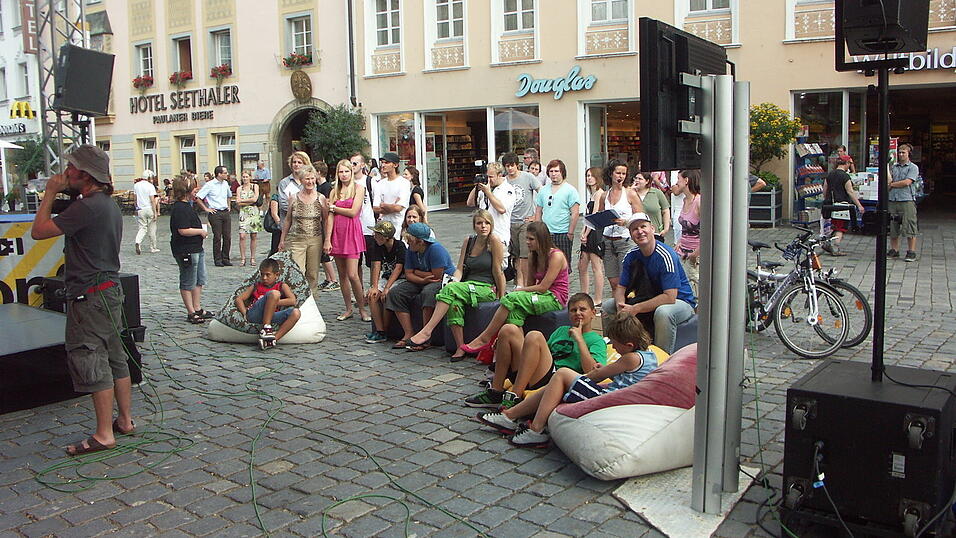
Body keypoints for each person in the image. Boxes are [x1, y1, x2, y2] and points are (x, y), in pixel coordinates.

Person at [30, 144, 134, 456]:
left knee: (91, 357)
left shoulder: (86, 208)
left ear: (85, 175)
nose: (66, 173)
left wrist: (49, 192)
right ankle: (125, 420)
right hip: (109, 291)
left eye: (72, 169)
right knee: (115, 356)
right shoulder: (103, 203)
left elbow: (38, 231)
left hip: (89, 296)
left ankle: (104, 434)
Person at [478, 311, 658, 448]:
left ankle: (536, 429)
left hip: (608, 399)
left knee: (562, 374)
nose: (613, 347)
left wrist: (581, 377)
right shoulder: (648, 356)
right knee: (558, 380)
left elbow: (595, 374)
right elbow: (626, 377)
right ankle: (510, 415)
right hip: (611, 394)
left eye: (615, 344)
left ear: (628, 345)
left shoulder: (629, 357)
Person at [465, 293, 606, 408]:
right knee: (508, 330)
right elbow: (543, 353)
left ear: (593, 313)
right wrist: (505, 344)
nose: (578, 313)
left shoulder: (596, 340)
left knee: (535, 336)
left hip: (556, 379)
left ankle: (515, 397)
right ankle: (496, 392)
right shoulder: (561, 331)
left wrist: (580, 340)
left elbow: (592, 373)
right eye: (573, 310)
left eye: (583, 309)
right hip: (539, 372)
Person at [407, 210, 507, 358]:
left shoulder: (494, 241)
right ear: (474, 226)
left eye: (487, 223)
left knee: (451, 290)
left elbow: (498, 271)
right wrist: (454, 281)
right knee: (453, 301)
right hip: (467, 286)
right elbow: (459, 268)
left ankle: (427, 330)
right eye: (479, 223)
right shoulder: (469, 241)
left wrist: (501, 295)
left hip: (485, 288)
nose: (483, 226)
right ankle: (460, 347)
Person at [461, 221, 569, 354]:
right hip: (540, 296)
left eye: (531, 239)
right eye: (527, 238)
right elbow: (530, 284)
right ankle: (521, 351)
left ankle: (485, 338)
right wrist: (522, 294)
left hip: (554, 298)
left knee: (511, 298)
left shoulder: (556, 256)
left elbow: (543, 287)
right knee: (514, 312)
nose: (527, 242)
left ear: (541, 239)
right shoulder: (532, 256)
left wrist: (519, 291)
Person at [605, 213, 697, 354]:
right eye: (635, 229)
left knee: (663, 313)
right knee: (607, 306)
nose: (640, 231)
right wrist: (621, 308)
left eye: (643, 226)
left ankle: (661, 357)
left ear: (652, 228)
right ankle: (614, 348)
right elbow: (621, 288)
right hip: (647, 297)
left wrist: (635, 308)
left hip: (680, 301)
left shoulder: (666, 255)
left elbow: (670, 297)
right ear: (630, 234)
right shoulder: (631, 255)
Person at [384, 221, 455, 348]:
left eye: (410, 240)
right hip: (420, 280)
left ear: (420, 241)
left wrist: (417, 272)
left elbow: (436, 276)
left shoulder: (435, 249)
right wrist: (421, 278)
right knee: (396, 293)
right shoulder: (412, 250)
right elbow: (408, 273)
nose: (408, 243)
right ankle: (408, 333)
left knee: (428, 293)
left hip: (441, 281)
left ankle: (425, 336)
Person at [325, 159, 369, 321]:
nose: (343, 175)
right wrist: (327, 239)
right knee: (342, 275)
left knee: (353, 274)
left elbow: (353, 211)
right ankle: (348, 308)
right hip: (337, 233)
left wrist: (334, 208)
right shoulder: (334, 191)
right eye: (340, 172)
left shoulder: (359, 189)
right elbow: (330, 217)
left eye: (346, 172)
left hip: (351, 233)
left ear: (352, 172)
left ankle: (362, 309)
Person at [169, 176, 213, 324]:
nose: (197, 190)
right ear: (186, 191)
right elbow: (183, 230)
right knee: (188, 280)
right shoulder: (180, 208)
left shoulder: (187, 205)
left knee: (199, 279)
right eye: (194, 188)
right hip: (185, 249)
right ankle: (191, 312)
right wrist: (199, 231)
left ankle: (197, 307)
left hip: (196, 248)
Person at [597, 159, 644, 294]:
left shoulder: (630, 194)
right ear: (611, 174)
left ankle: (626, 309)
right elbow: (600, 215)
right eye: (618, 173)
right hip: (608, 240)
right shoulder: (605, 195)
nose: (621, 176)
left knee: (626, 280)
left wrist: (626, 222)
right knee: (613, 280)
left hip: (625, 240)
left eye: (623, 174)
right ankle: (616, 308)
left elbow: (641, 218)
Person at [279, 165, 327, 292]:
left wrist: (327, 240)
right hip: (296, 239)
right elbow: (288, 219)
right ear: (301, 180)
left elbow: (326, 220)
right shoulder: (294, 198)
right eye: (307, 179)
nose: (310, 182)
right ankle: (296, 302)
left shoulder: (321, 198)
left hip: (315, 239)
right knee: (297, 272)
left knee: (312, 273)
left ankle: (311, 303)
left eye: (312, 179)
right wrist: (282, 239)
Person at [235, 258, 302, 345]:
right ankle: (266, 329)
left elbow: (292, 301)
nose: (264, 278)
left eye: (268, 275)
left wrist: (272, 303)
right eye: (262, 274)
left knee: (296, 313)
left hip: (272, 315)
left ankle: (272, 340)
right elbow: (239, 299)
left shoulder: (281, 285)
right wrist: (245, 314)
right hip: (255, 314)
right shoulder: (256, 285)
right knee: (274, 294)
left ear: (276, 275)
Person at [503, 152, 543, 287]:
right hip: (509, 222)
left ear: (517, 165)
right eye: (507, 166)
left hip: (525, 221)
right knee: (514, 255)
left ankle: (526, 283)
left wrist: (536, 215)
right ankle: (518, 282)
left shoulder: (527, 177)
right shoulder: (504, 180)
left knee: (524, 255)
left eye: (512, 165)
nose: (510, 169)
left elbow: (541, 192)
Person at [364, 221, 406, 344]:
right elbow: (376, 265)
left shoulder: (400, 246)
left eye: (377, 234)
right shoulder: (377, 245)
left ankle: (386, 330)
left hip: (400, 278)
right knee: (373, 295)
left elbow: (398, 268)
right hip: (386, 277)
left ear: (385, 237)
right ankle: (380, 331)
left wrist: (387, 288)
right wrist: (374, 286)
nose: (374, 236)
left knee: (387, 296)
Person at [534, 159, 580, 273]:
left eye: (556, 171)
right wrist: (538, 230)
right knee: (544, 265)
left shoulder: (570, 190)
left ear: (562, 172)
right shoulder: (543, 190)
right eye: (551, 171)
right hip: (546, 234)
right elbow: (538, 211)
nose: (554, 174)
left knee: (563, 267)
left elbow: (575, 213)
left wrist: (570, 232)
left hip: (563, 233)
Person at [467, 161, 516, 256]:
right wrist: (478, 185)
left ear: (500, 175)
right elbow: (470, 203)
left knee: (498, 268)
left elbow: (502, 209)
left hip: (499, 237)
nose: (488, 180)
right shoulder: (485, 188)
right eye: (487, 176)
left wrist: (488, 193)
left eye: (491, 177)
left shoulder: (507, 189)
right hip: (482, 237)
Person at [822, 155, 865, 256]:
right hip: (842, 205)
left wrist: (827, 200)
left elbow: (825, 189)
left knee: (834, 225)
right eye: (849, 163)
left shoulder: (830, 174)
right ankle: (835, 247)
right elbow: (850, 191)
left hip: (830, 204)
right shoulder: (845, 176)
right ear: (846, 164)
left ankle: (828, 244)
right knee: (840, 228)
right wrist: (859, 205)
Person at [194, 165, 234, 266]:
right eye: (225, 173)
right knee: (217, 236)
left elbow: (229, 196)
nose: (227, 174)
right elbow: (198, 197)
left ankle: (226, 257)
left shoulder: (225, 183)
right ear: (219, 174)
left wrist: (228, 206)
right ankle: (217, 259)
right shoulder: (210, 185)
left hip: (225, 211)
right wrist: (206, 208)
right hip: (215, 212)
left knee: (227, 236)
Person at [578, 167, 606, 307]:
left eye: (591, 176)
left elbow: (594, 217)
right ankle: (585, 294)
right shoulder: (592, 194)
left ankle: (598, 298)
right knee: (582, 265)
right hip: (588, 231)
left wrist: (586, 234)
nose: (589, 178)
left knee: (596, 266)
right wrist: (583, 232)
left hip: (595, 233)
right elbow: (587, 217)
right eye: (587, 175)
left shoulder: (599, 194)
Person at [273, 151, 310, 255]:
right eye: (294, 162)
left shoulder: (309, 181)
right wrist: (304, 206)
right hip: (289, 228)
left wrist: (293, 203)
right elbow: (284, 204)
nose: (296, 164)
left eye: (299, 162)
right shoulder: (284, 183)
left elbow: (313, 202)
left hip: (306, 228)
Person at [888, 143, 920, 262]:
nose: (901, 155)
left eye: (903, 152)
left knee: (910, 225)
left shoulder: (913, 167)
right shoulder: (894, 167)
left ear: (908, 154)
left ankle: (911, 251)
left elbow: (907, 182)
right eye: (900, 152)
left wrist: (892, 185)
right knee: (893, 226)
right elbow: (888, 179)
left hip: (907, 199)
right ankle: (894, 250)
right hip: (893, 199)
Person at [672, 170, 701, 297]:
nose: (676, 182)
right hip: (683, 252)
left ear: (686, 180)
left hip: (696, 255)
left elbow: (708, 232)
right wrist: (679, 242)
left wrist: (695, 254)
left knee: (697, 292)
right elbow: (685, 227)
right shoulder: (685, 200)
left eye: (678, 179)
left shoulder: (699, 202)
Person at [312, 161, 340, 291]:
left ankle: (333, 279)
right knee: (321, 253)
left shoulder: (326, 187)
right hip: (319, 222)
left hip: (325, 222)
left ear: (318, 172)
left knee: (325, 253)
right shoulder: (318, 187)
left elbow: (329, 205)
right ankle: (328, 278)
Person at [374, 152, 411, 240]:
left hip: (399, 226)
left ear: (395, 165)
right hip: (383, 227)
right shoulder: (380, 184)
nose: (383, 165)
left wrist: (384, 205)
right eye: (382, 162)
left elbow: (399, 208)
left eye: (386, 163)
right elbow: (375, 208)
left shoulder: (404, 183)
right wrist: (392, 206)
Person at [632, 171, 670, 242]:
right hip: (637, 234)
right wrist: (631, 190)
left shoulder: (656, 193)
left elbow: (665, 210)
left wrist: (666, 228)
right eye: (635, 178)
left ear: (647, 181)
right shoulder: (631, 194)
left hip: (655, 233)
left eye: (640, 179)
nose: (637, 181)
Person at [236, 170, 263, 267]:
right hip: (243, 213)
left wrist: (243, 201)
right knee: (242, 236)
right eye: (243, 177)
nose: (245, 178)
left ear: (250, 177)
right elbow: (237, 202)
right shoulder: (239, 188)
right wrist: (247, 202)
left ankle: (252, 257)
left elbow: (255, 199)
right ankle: (243, 258)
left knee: (253, 235)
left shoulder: (254, 186)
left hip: (253, 212)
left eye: (247, 176)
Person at [132, 172, 160, 255]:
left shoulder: (136, 185)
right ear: (149, 178)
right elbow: (152, 200)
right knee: (152, 228)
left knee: (142, 228)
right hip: (149, 209)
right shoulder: (150, 186)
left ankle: (138, 241)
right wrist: (155, 212)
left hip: (141, 209)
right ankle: (153, 247)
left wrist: (136, 208)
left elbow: (135, 199)